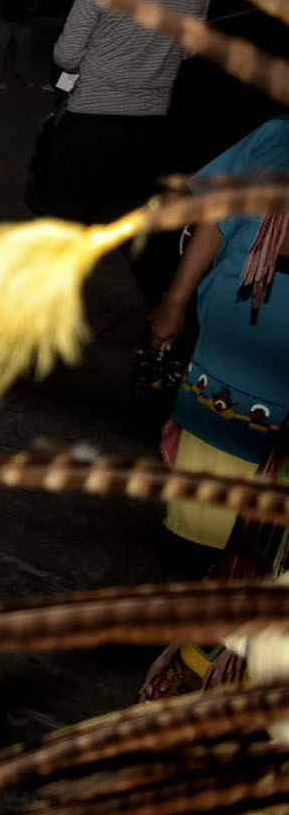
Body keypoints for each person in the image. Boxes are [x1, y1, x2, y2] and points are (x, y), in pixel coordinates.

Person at [46, 0, 211, 296]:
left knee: (70, 214)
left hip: (92, 116)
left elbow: (66, 55)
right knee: (133, 217)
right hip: (150, 119)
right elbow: (188, 51)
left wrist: (106, 53)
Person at [148, 114, 289, 550]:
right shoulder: (276, 136)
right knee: (200, 519)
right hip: (232, 336)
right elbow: (212, 220)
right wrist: (174, 303)